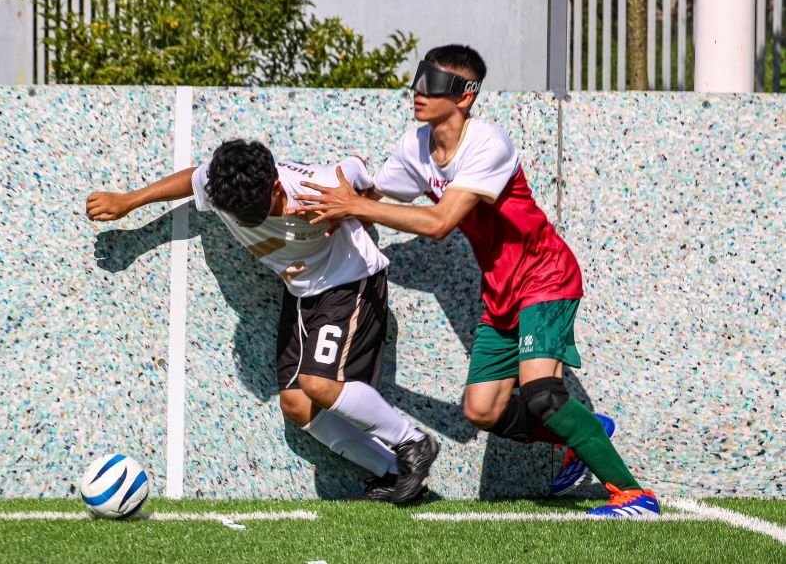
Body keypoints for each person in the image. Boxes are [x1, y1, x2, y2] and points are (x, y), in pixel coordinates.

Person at [294, 44, 660, 517]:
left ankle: (633, 495)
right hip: (501, 290)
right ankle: (582, 429)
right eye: (418, 79)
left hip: (545, 276)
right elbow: (374, 189)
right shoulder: (416, 147)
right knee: (482, 411)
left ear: (465, 96)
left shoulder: (488, 142)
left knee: (542, 395)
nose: (419, 91)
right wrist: (335, 196)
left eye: (434, 83)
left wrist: (358, 207)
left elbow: (441, 221)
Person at [86, 139, 438, 505]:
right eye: (237, 214)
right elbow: (192, 178)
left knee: (319, 384)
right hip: (302, 292)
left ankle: (413, 442)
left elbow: (355, 167)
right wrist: (128, 201)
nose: (246, 220)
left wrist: (351, 207)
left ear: (274, 186)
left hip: (348, 281)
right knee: (298, 405)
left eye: (255, 210)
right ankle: (394, 472)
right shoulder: (222, 182)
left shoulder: (312, 186)